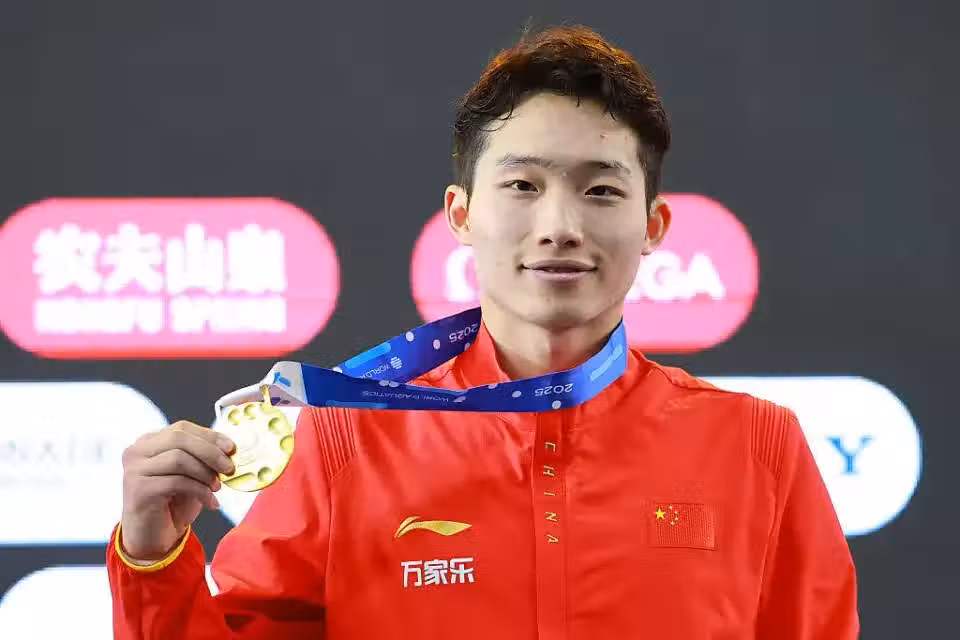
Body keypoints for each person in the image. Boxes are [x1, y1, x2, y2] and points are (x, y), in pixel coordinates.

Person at [107, 24, 859, 639]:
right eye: (522, 185)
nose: (560, 226)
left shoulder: (757, 447)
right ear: (461, 215)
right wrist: (152, 557)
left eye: (601, 190)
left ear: (654, 225)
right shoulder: (346, 443)